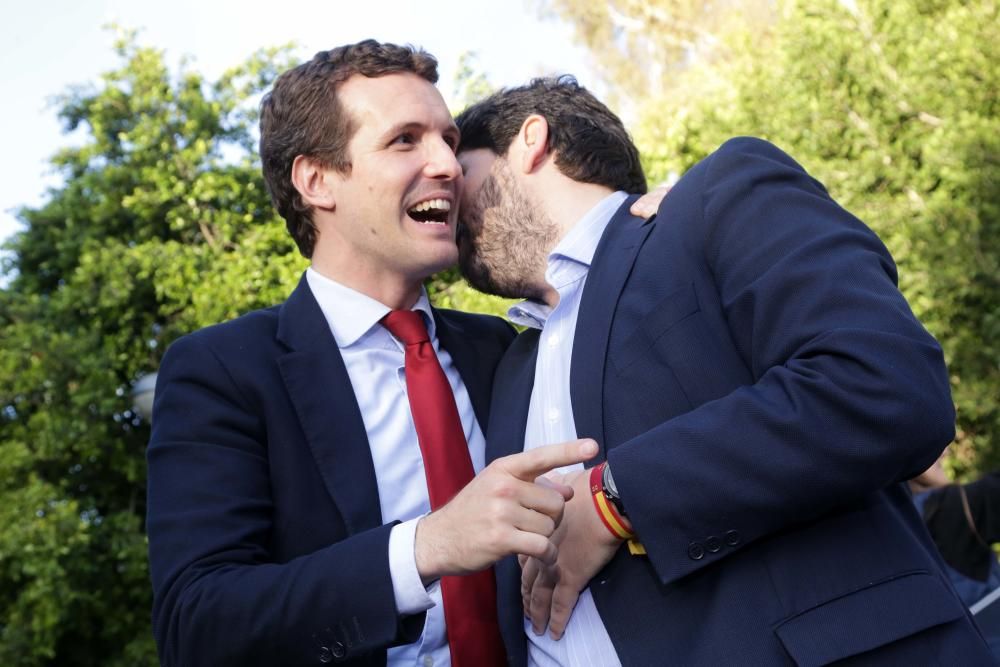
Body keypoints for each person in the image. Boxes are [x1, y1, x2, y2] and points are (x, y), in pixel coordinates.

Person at [454, 77, 994, 665]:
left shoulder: (713, 200)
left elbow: (884, 384)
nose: (448, 198)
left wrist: (617, 497)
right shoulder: (506, 367)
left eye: (462, 169)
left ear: (531, 140)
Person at [145, 41, 603, 667]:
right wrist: (426, 546)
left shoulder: (505, 350)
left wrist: (637, 226)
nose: (448, 164)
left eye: (447, 137)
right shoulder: (221, 372)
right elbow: (197, 623)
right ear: (316, 180)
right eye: (405, 140)